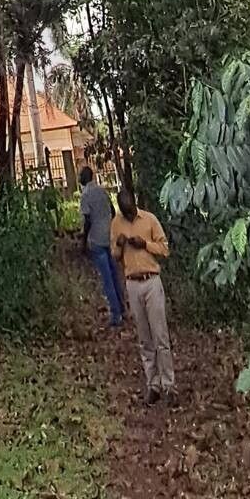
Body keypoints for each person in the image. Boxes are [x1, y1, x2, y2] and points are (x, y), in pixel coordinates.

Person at [110, 187, 176, 405]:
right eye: (124, 212)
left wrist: (145, 244)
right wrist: (120, 246)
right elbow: (114, 255)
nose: (128, 215)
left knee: (160, 336)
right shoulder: (116, 223)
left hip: (151, 281)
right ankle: (153, 385)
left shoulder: (149, 220)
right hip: (133, 283)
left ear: (135, 203)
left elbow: (164, 249)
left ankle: (169, 385)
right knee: (144, 338)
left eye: (130, 211)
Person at [78, 165, 124, 328]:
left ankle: (116, 315)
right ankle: (122, 308)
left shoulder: (85, 195)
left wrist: (84, 242)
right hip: (108, 237)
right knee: (114, 274)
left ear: (84, 178)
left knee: (106, 279)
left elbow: (87, 221)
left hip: (96, 240)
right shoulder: (102, 191)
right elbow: (112, 211)